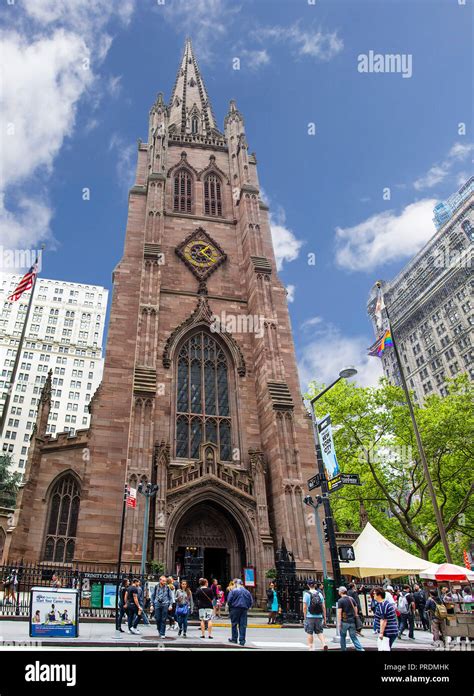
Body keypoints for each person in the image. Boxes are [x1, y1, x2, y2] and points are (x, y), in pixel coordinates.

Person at [302, 580, 328, 651]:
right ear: (315, 585)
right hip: (319, 616)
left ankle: (311, 647)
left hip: (310, 616)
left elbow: (304, 607)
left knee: (309, 632)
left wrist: (305, 617)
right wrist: (325, 618)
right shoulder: (320, 594)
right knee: (319, 632)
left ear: (308, 585)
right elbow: (323, 607)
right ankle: (324, 644)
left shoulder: (306, 594)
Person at [227, 579, 253, 646]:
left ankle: (234, 638)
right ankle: (242, 640)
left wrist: (231, 607)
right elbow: (251, 601)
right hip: (244, 609)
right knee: (243, 625)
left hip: (235, 609)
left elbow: (229, 600)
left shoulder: (233, 591)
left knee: (234, 624)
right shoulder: (247, 592)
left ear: (236, 584)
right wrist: (247, 607)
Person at [337, 586, 364, 651]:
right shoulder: (351, 599)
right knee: (353, 637)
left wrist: (339, 623)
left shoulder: (340, 600)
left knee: (343, 637)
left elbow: (339, 613)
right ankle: (360, 649)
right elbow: (356, 610)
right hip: (352, 621)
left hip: (344, 621)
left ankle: (343, 649)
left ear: (340, 592)